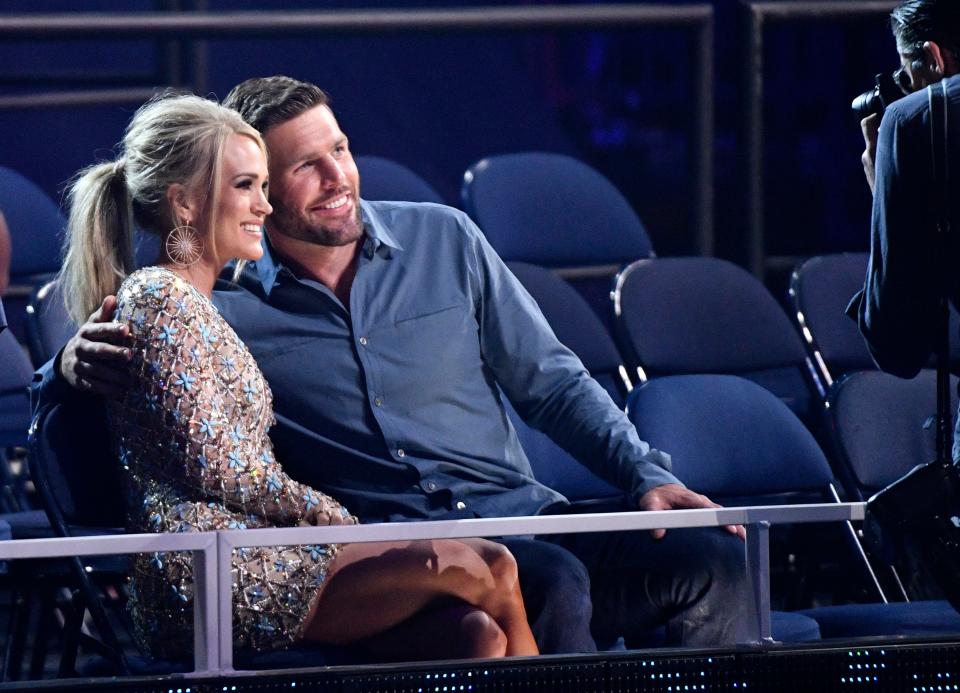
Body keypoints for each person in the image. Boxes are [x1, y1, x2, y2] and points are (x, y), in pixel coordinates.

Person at [40, 76, 748, 654]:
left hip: (524, 514)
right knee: (551, 583)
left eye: (340, 149)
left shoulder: (447, 238)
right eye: (301, 168)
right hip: (387, 545)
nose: (338, 176)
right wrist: (68, 364)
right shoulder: (220, 302)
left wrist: (645, 472)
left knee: (710, 557)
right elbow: (149, 390)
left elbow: (554, 383)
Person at [57, 92, 538, 662]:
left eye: (263, 185)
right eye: (244, 186)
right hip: (212, 563)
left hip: (267, 546)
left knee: (474, 637)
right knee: (491, 566)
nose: (264, 206)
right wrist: (330, 515)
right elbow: (220, 467)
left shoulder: (206, 304)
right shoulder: (161, 297)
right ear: (183, 204)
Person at [852, 0, 960, 427]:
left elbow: (897, 343)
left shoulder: (915, 118)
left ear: (933, 56)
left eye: (908, 73)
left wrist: (883, 189)